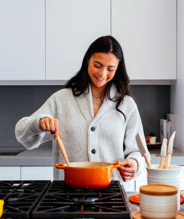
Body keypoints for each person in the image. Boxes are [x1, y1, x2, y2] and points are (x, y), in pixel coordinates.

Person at [15, 35, 148, 191]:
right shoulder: (62, 99)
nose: (103, 73)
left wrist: (134, 163)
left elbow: (138, 151)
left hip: (113, 195)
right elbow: (22, 134)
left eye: (110, 68)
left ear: (118, 68)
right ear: (87, 61)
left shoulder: (127, 104)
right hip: (67, 194)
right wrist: (39, 123)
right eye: (97, 65)